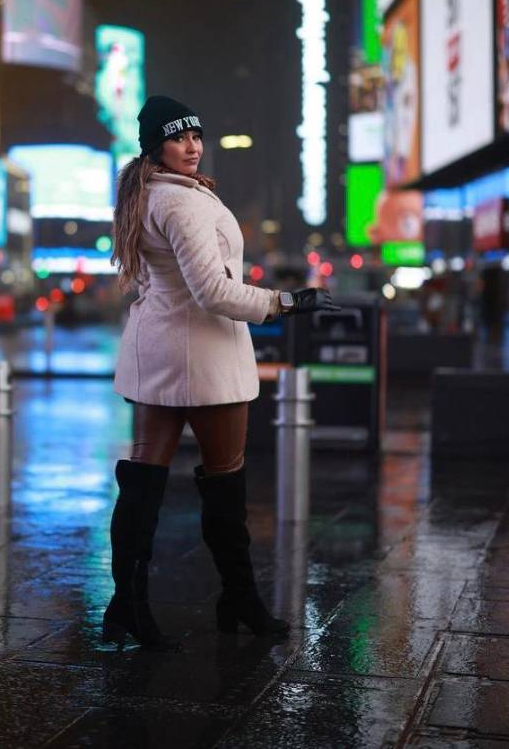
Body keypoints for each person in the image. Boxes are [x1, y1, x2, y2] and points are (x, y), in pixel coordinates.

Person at [105, 95, 339, 651]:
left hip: (160, 349)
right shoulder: (182, 204)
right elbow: (212, 291)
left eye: (196, 135)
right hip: (204, 356)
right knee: (224, 480)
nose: (192, 146)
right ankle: (238, 598)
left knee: (144, 478)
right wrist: (287, 300)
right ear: (155, 146)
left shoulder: (154, 194)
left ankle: (128, 605)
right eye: (179, 137)